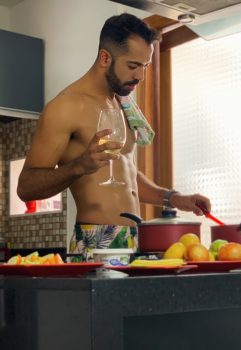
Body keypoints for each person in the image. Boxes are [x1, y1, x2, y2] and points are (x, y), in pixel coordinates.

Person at [17, 13, 211, 255]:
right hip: (95, 239)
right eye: (133, 66)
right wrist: (80, 166)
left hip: (135, 238)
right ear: (105, 57)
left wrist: (173, 198)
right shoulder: (66, 107)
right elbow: (25, 187)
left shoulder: (123, 103)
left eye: (145, 66)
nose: (140, 76)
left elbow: (125, 172)